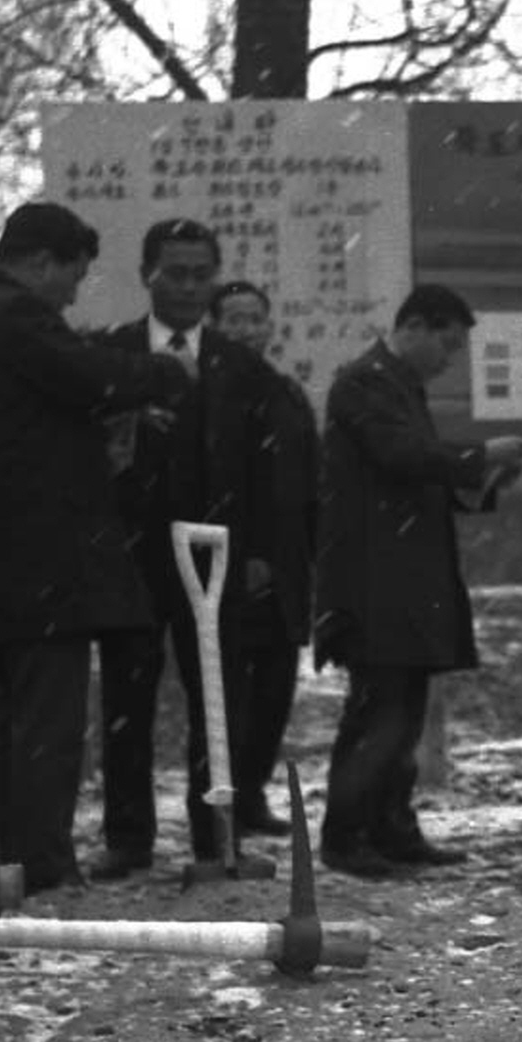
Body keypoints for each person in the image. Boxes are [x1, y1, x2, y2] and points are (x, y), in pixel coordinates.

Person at [0, 203, 190, 892]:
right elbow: (84, 374)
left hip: (4, 555)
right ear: (40, 262)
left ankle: (19, 856)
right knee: (49, 720)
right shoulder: (11, 317)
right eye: (72, 274)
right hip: (39, 560)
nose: (76, 293)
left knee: (24, 718)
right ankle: (43, 864)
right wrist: (162, 373)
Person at [314, 283, 522, 877]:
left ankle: (392, 827)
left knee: (403, 713)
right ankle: (347, 834)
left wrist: (480, 478)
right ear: (414, 328)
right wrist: (477, 457)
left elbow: (411, 472)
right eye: (448, 345)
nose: (449, 360)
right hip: (374, 582)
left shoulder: (397, 385)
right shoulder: (365, 382)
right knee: (377, 713)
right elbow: (401, 457)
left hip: (404, 580)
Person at [91, 218, 275, 876]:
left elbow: (264, 467)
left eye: (203, 274)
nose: (191, 287)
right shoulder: (110, 353)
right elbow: (84, 452)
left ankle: (216, 836)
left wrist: (261, 552)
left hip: (216, 553)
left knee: (218, 701)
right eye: (176, 273)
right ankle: (128, 838)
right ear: (148, 275)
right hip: (132, 556)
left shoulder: (241, 364)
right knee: (126, 701)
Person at [210, 280, 319, 836]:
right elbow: (225, 482)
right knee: (229, 696)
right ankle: (222, 805)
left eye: (255, 318)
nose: (246, 329)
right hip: (231, 570)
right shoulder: (210, 390)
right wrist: (248, 551)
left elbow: (307, 479)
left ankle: (251, 794)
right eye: (234, 318)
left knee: (275, 691)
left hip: (288, 569)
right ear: (215, 325)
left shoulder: (287, 394)